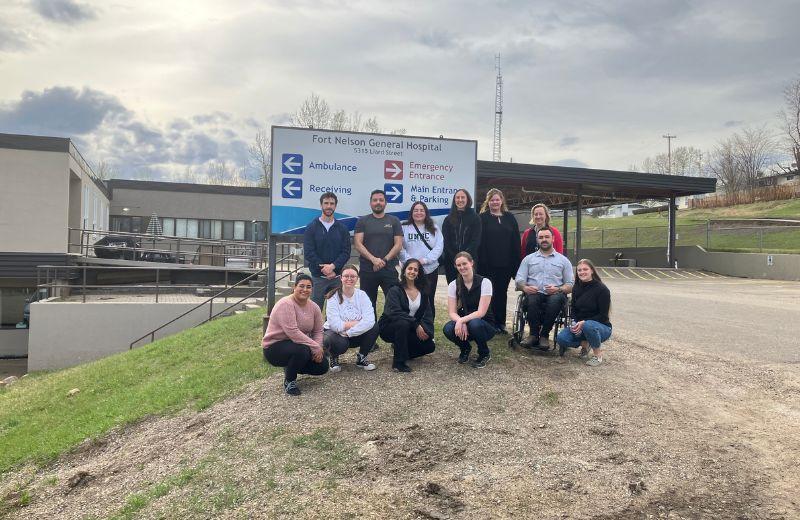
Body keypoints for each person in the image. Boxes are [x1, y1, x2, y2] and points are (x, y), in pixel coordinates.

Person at [262, 274, 328, 396]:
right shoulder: (286, 304)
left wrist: (317, 348)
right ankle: (290, 381)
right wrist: (315, 347)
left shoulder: (314, 307)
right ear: (294, 287)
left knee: (323, 366)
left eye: (308, 287)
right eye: (301, 286)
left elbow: (318, 330)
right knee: (302, 351)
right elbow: (293, 332)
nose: (305, 289)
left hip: (298, 345)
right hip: (275, 347)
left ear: (312, 289)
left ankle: (291, 366)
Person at [515, 227, 574, 350]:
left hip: (555, 295)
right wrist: (525, 288)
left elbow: (570, 284)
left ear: (553, 239)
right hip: (533, 294)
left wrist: (558, 289)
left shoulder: (564, 261)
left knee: (555, 300)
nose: (544, 240)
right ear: (537, 240)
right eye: (541, 237)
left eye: (547, 237)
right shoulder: (528, 259)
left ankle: (544, 336)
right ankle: (533, 335)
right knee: (532, 299)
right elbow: (519, 280)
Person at [378, 258, 436, 373]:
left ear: (418, 273)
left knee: (429, 346)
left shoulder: (423, 292)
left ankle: (401, 348)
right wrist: (415, 324)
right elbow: (394, 312)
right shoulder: (395, 289)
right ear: (404, 271)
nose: (412, 272)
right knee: (402, 323)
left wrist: (426, 330)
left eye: (415, 270)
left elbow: (428, 314)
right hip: (390, 327)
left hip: (409, 328)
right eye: (410, 268)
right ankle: (398, 363)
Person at [477, 188, 521, 334]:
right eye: (492, 200)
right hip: (487, 265)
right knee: (489, 293)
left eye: (497, 199)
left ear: (501, 201)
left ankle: (501, 323)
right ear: (488, 202)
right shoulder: (482, 218)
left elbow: (515, 241)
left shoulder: (510, 218)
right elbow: (479, 242)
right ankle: (489, 322)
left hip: (506, 265)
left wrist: (516, 265)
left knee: (502, 293)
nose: (495, 202)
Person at [354, 189, 403, 314]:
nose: (378, 202)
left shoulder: (394, 221)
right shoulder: (362, 221)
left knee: (394, 303)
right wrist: (373, 259)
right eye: (375, 200)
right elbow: (358, 244)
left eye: (381, 200)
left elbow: (398, 244)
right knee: (368, 306)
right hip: (367, 270)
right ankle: (370, 333)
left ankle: (390, 332)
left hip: (389, 269)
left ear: (385, 203)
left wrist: (384, 260)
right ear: (370, 203)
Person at [442, 252, 495, 368]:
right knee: (447, 328)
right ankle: (465, 348)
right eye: (458, 265)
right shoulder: (453, 285)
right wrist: (461, 321)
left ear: (471, 263)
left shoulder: (485, 283)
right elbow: (452, 312)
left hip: (484, 325)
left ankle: (484, 353)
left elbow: (481, 313)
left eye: (464, 263)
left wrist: (462, 321)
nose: (462, 267)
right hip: (465, 324)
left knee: (475, 324)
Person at [322, 264, 379, 372]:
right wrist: (357, 322)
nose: (349, 279)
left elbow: (370, 320)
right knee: (338, 342)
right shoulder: (332, 296)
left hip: (348, 334)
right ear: (341, 278)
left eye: (352, 276)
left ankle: (362, 357)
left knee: (374, 327)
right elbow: (335, 325)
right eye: (346, 276)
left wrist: (349, 333)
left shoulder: (362, 295)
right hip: (336, 334)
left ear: (357, 278)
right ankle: (334, 356)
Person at [557, 259, 612, 366]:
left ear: (592, 271)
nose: (582, 272)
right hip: (581, 326)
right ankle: (586, 343)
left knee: (588, 325)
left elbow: (603, 316)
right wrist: (575, 323)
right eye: (579, 270)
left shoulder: (602, 289)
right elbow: (573, 309)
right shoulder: (576, 288)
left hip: (601, 327)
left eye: (585, 269)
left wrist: (584, 323)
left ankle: (597, 355)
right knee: (561, 338)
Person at [302, 192, 352, 308]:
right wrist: (325, 269)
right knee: (315, 311)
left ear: (335, 206)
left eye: (332, 203)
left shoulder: (342, 229)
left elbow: (346, 252)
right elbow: (309, 252)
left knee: (337, 311)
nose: (329, 206)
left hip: (337, 278)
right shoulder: (311, 227)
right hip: (317, 278)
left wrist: (333, 267)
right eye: (326, 203)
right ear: (321, 205)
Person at [399, 201, 444, 316]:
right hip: (410, 271)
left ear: (426, 213)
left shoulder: (434, 228)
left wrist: (425, 260)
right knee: (409, 299)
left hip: (430, 270)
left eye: (421, 210)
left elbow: (439, 247)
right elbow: (399, 247)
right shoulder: (404, 228)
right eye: (416, 210)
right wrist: (412, 263)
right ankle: (410, 327)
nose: (419, 213)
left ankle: (428, 329)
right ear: (411, 213)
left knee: (428, 300)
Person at [441, 189, 481, 284]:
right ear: (454, 200)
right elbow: (446, 242)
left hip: (469, 261)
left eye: (463, 197)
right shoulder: (448, 219)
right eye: (457, 197)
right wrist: (456, 258)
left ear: (468, 199)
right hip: (451, 262)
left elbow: (475, 240)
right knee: (453, 290)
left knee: (469, 290)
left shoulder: (475, 218)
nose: (460, 200)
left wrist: (465, 258)